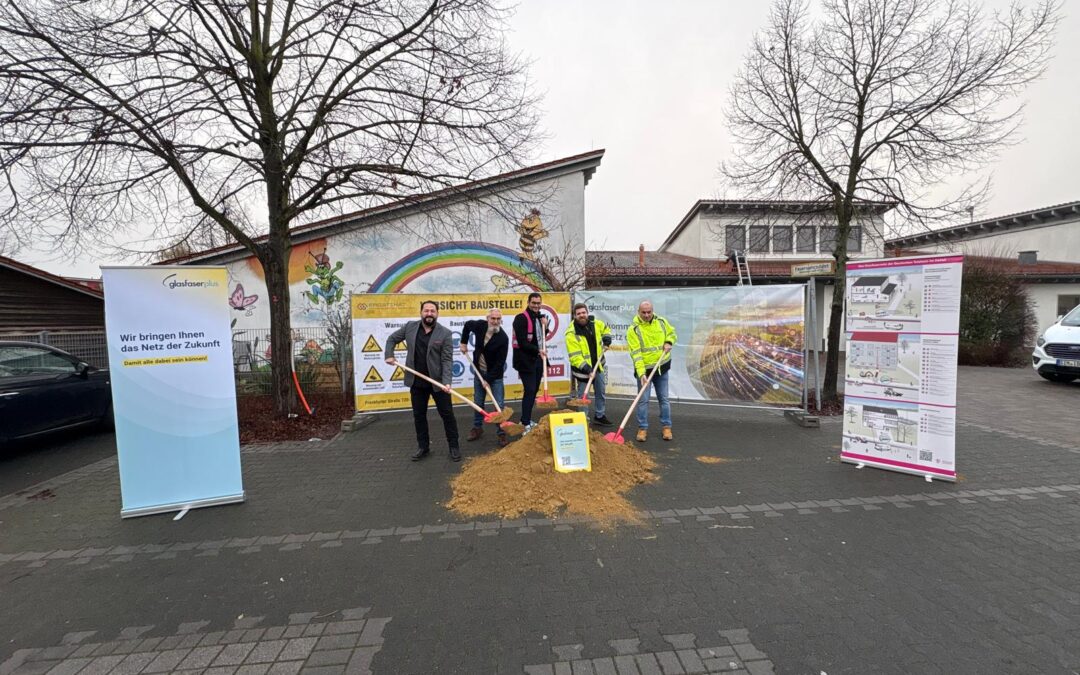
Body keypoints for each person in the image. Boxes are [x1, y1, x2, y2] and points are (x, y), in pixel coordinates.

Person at [384, 300, 461, 461]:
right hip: (416, 382)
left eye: (432, 311)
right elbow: (391, 339)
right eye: (426, 311)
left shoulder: (445, 333)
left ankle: (454, 446)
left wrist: (447, 382)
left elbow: (447, 360)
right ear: (421, 312)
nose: (429, 314)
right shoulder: (410, 327)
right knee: (419, 415)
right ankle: (423, 447)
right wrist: (389, 355)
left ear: (437, 313)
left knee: (447, 415)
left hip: (437, 382)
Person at [626, 300, 677, 442]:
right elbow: (636, 354)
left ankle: (666, 427)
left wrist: (669, 342)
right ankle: (642, 428)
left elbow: (672, 333)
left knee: (664, 399)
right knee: (643, 400)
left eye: (649, 312)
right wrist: (641, 373)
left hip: (662, 367)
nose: (647, 315)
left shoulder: (661, 322)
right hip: (645, 371)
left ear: (652, 310)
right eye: (644, 312)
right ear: (638, 312)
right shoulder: (633, 330)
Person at [460, 308, 510, 447]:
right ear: (488, 319)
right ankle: (477, 428)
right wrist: (463, 342)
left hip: (495, 376)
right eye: (492, 318)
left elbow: (500, 363)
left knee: (498, 404)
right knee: (478, 402)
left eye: (498, 319)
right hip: (478, 371)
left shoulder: (503, 338)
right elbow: (467, 325)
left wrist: (488, 379)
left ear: (500, 320)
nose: (495, 321)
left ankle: (501, 433)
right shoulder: (480, 326)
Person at [564, 302, 613, 426]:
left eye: (583, 313)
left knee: (600, 392)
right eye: (579, 313)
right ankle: (583, 419)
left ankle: (600, 415)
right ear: (574, 316)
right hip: (583, 371)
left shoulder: (596, 323)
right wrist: (587, 369)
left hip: (598, 366)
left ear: (587, 313)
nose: (582, 315)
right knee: (583, 397)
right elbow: (575, 357)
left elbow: (606, 329)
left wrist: (607, 338)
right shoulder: (571, 333)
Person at [511, 292, 548, 433]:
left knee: (533, 391)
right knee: (530, 390)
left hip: (538, 360)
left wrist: (546, 325)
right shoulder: (521, 318)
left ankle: (526, 419)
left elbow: (542, 336)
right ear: (528, 302)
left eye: (538, 303)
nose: (536, 306)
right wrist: (538, 350)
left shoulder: (540, 318)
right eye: (534, 303)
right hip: (525, 361)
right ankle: (524, 422)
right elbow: (522, 342)